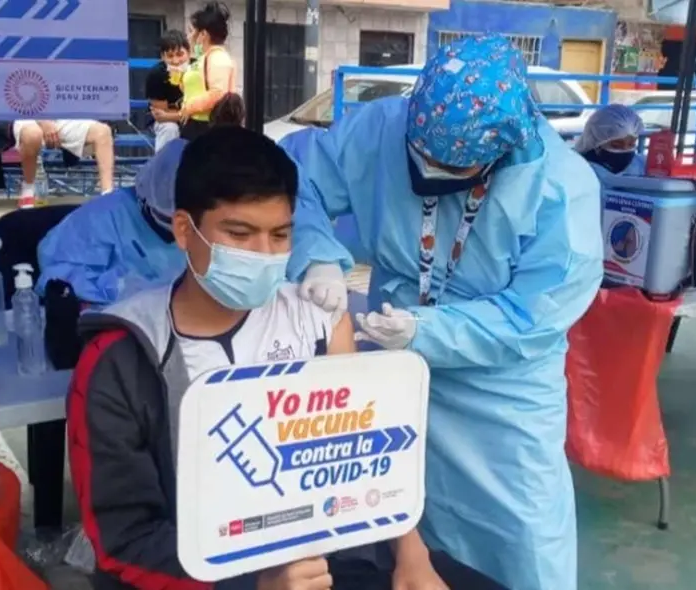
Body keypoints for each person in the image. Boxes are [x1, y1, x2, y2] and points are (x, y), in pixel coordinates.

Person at [67, 126, 449, 590]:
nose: (264, 255)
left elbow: (366, 459)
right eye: (240, 234)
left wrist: (411, 553)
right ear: (185, 230)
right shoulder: (122, 358)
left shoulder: (318, 322)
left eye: (280, 235)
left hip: (320, 558)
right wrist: (253, 584)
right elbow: (123, 540)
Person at [298, 35, 604, 590]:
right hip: (390, 366)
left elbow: (533, 318)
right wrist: (316, 255)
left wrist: (424, 331)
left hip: (503, 391)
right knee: (399, 510)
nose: (429, 168)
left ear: (496, 154)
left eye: (450, 165)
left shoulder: (561, 188)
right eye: (423, 154)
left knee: (522, 535)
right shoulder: (378, 130)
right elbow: (295, 180)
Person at [36, 93, 348, 311]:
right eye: (239, 233)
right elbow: (57, 281)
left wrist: (318, 265)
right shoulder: (100, 221)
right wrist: (123, 293)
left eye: (279, 234)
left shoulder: (239, 251)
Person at [12, 118, 116, 208]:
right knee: (33, 135)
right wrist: (43, 121)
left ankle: (107, 195)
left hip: (62, 117)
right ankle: (28, 188)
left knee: (103, 131)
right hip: (27, 116)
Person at [179, 1, 237, 140]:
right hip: (195, 123)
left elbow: (218, 93)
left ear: (204, 34)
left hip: (205, 126)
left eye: (192, 31)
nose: (189, 36)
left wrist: (190, 106)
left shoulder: (218, 58)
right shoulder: (204, 57)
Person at [574, 103, 646, 179]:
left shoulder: (640, 164)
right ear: (596, 142)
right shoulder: (580, 170)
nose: (625, 150)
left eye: (631, 144)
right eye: (616, 145)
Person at [147, 30, 191, 152]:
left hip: (192, 118)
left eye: (180, 54)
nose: (176, 61)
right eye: (170, 56)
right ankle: (163, 168)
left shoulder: (197, 70)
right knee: (170, 129)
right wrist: (185, 114)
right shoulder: (156, 75)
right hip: (165, 122)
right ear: (162, 57)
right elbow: (161, 115)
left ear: (189, 53)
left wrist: (174, 114)